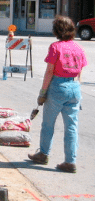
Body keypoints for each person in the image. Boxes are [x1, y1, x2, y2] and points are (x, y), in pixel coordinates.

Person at [28, 15, 87, 174]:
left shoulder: (56, 47)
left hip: (58, 87)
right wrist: (76, 87)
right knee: (71, 127)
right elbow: (80, 71)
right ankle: (70, 161)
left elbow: (49, 72)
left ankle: (43, 154)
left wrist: (42, 93)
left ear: (57, 30)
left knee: (48, 124)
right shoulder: (78, 48)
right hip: (74, 87)